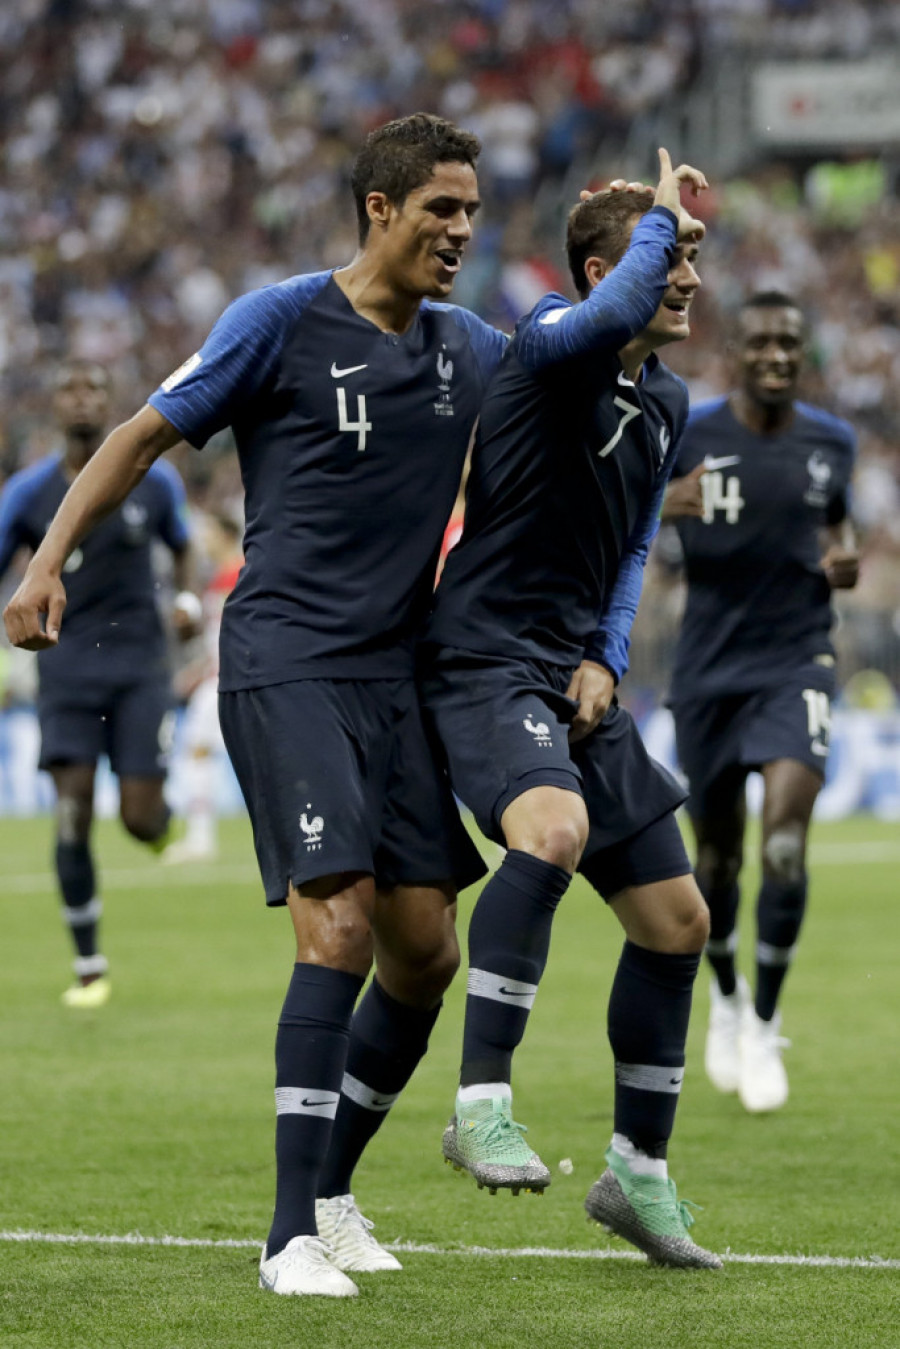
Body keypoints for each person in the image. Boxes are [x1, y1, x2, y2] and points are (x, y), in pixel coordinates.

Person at [4, 113, 510, 1299]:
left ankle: (330, 1194)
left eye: (473, 212)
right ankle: (288, 1235)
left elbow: (573, 366)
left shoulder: (470, 347)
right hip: (287, 659)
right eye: (441, 208)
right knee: (336, 928)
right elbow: (138, 437)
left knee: (427, 951)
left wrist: (643, 258)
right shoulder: (277, 320)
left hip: (397, 675)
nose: (462, 230)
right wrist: (45, 564)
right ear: (380, 208)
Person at [420, 151, 722, 1269]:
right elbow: (589, 324)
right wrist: (659, 220)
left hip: (573, 670)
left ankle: (637, 1172)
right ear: (606, 270)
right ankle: (480, 1104)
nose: (689, 279)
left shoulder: (668, 400)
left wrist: (606, 653)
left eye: (692, 258)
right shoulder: (547, 335)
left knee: (679, 920)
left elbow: (634, 545)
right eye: (670, 258)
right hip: (486, 655)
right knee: (551, 830)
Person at [662, 291, 858, 1113]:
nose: (777, 355)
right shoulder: (689, 433)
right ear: (734, 351)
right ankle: (728, 999)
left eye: (790, 342)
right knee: (717, 861)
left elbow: (837, 526)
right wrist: (664, 505)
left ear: (802, 353)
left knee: (782, 843)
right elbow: (626, 511)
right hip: (709, 670)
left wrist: (843, 557)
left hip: (796, 661)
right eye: (762, 342)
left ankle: (767, 1023)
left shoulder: (832, 441)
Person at [0, 358, 197, 1008]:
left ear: (110, 401)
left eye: (93, 387)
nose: (81, 398)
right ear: (54, 405)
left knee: (139, 817)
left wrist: (186, 600)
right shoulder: (28, 494)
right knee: (71, 810)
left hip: (141, 666)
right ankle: (89, 966)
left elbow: (183, 545)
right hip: (67, 668)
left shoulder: (154, 478)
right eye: (69, 388)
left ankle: (160, 825)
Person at [163, 510, 243, 864]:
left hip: (233, 682)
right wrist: (201, 670)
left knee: (198, 751)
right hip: (219, 679)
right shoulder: (218, 580)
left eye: (209, 532)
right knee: (198, 750)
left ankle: (201, 839)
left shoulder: (239, 574)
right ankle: (200, 837)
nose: (204, 540)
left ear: (225, 534)